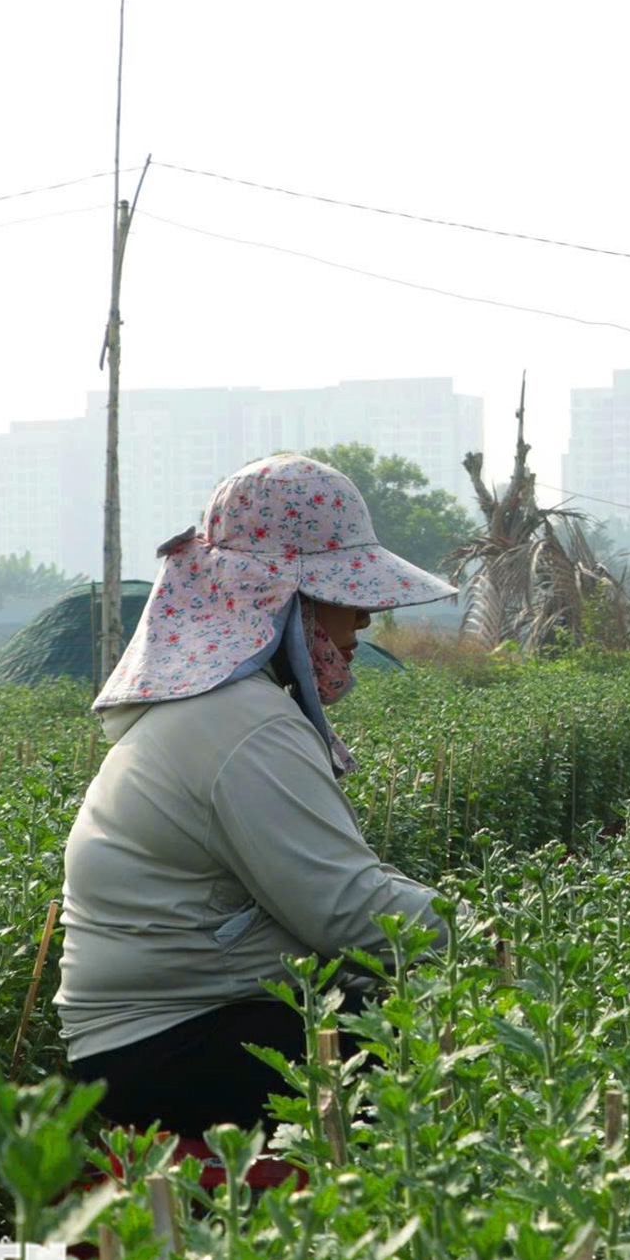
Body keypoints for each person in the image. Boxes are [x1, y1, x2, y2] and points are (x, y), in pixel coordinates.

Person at [56, 453, 461, 1138]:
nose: (363, 617)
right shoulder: (242, 723)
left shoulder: (221, 707)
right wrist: (492, 940)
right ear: (281, 598)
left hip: (149, 1036)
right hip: (170, 1042)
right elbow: (349, 912)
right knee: (448, 1068)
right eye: (344, 592)